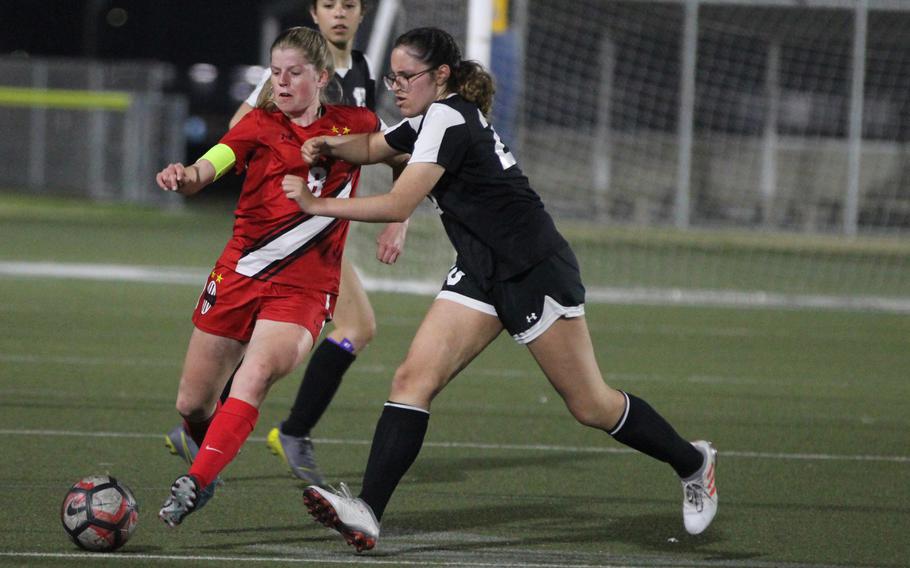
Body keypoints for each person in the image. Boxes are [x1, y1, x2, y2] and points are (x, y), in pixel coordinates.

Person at [283, 27, 719, 551]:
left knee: (591, 406)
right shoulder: (430, 116)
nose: (395, 86)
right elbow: (377, 145)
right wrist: (331, 145)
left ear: (440, 75)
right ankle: (369, 512)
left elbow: (398, 204)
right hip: (480, 268)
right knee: (412, 379)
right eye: (393, 76)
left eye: (407, 77)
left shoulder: (448, 118)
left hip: (531, 268)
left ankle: (693, 462)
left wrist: (317, 206)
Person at [154, 26, 392, 527]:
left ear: (321, 77)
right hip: (240, 271)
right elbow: (212, 164)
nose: (282, 83)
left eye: (294, 74)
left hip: (306, 286)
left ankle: (196, 481)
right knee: (193, 402)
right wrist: (187, 175)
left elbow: (403, 155)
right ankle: (207, 460)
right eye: (276, 73)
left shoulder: (358, 123)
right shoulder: (258, 124)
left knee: (256, 374)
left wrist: (400, 219)